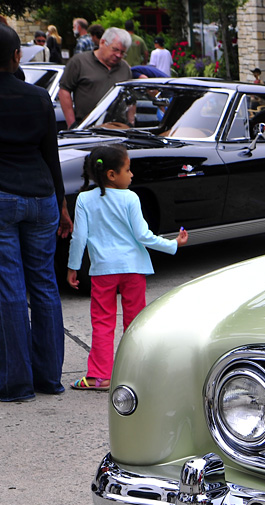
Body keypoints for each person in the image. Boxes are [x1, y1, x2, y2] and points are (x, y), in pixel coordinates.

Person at [66, 145, 187, 390]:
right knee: (135, 321)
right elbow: (143, 236)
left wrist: (73, 267)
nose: (131, 175)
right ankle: (137, 373)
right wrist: (173, 244)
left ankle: (100, 376)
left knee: (102, 321)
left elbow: (78, 237)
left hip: (102, 270)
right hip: (133, 269)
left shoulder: (84, 199)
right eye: (128, 169)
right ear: (112, 174)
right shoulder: (131, 198)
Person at [0, 24, 73, 402]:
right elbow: (51, 154)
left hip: (3, 197)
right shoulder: (37, 98)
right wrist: (61, 203)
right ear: (17, 57)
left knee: (9, 288)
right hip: (42, 195)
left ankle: (16, 383)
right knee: (44, 284)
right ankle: (49, 378)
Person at [58, 27, 132, 128]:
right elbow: (64, 91)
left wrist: (131, 123)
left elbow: (131, 99)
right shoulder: (79, 62)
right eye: (115, 50)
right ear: (102, 42)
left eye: (122, 53)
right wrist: (72, 125)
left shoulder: (124, 67)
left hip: (118, 129)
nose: (118, 55)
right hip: (87, 128)